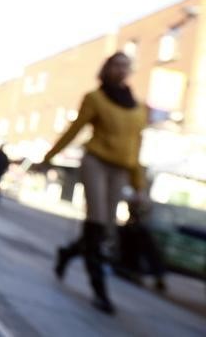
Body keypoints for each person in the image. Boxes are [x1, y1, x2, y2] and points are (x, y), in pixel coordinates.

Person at [43, 52, 148, 314]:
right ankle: (99, 289)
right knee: (97, 221)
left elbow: (136, 148)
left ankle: (67, 253)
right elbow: (75, 128)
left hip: (121, 169)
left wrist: (139, 186)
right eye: (116, 65)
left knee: (107, 228)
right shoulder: (95, 98)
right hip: (96, 163)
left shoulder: (138, 108)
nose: (121, 70)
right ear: (107, 68)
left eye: (125, 66)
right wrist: (49, 157)